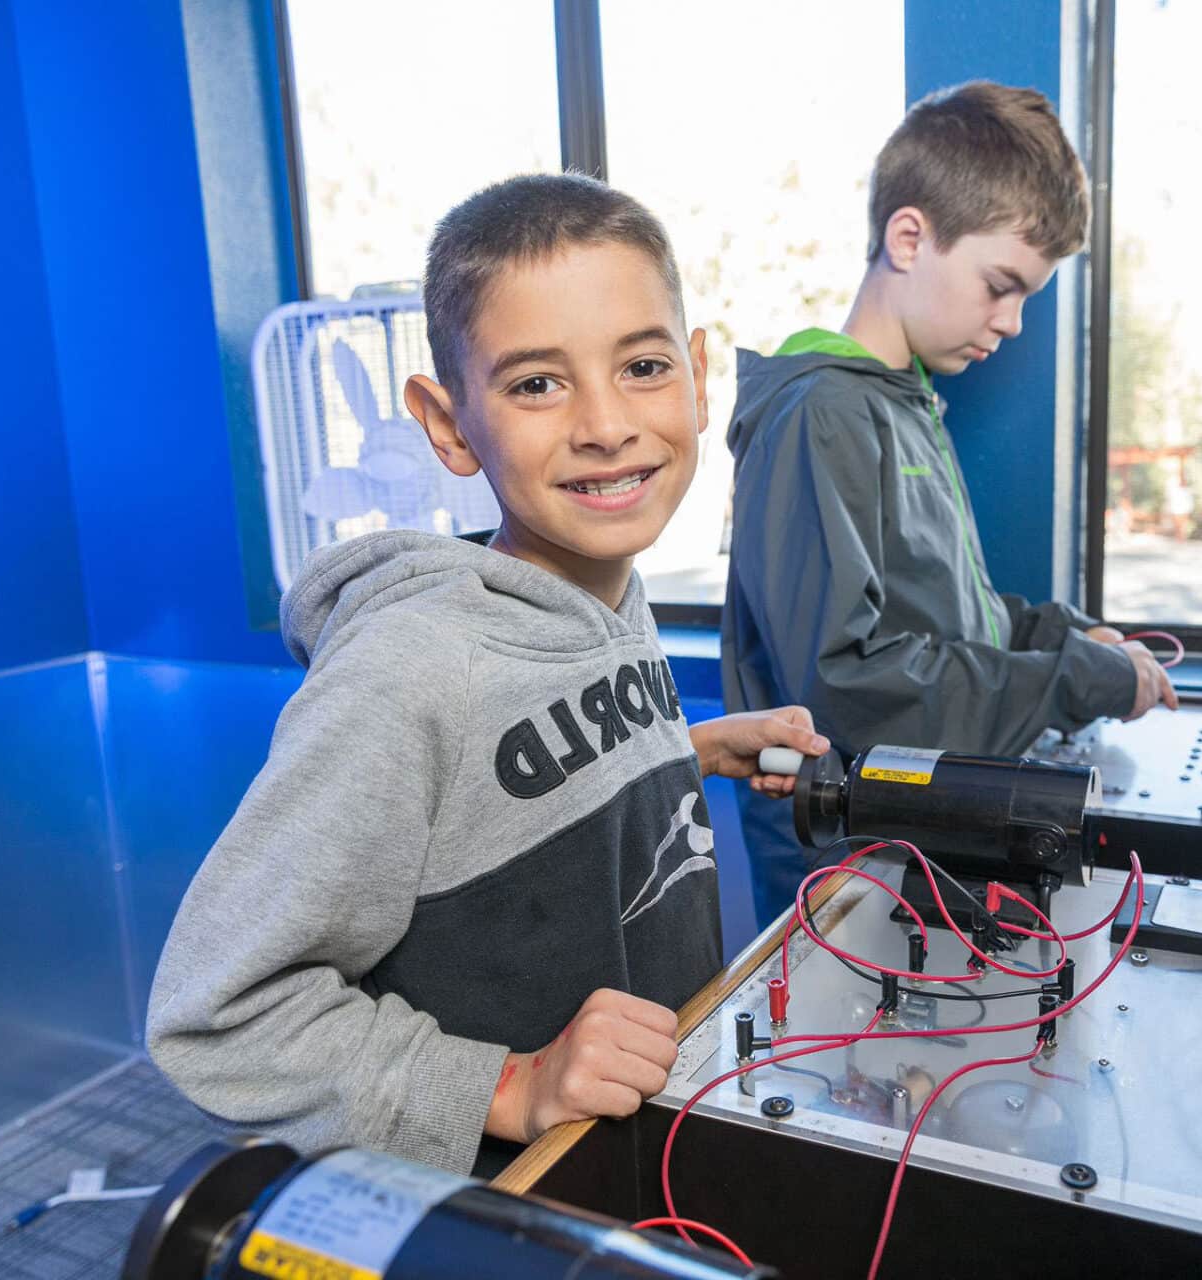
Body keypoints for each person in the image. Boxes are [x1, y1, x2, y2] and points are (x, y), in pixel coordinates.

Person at [147, 174, 829, 1175]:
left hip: (646, 1159)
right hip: (510, 1203)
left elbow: (510, 784)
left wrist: (684, 753)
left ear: (696, 377)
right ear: (451, 423)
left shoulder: (607, 591)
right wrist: (510, 1083)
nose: (606, 423)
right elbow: (216, 1013)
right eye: (537, 383)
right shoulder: (405, 669)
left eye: (641, 365)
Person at [722, 82, 1176, 925]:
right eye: (999, 284)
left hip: (918, 842)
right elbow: (846, 686)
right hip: (852, 864)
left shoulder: (904, 402)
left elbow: (940, 615)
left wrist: (1060, 634)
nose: (1010, 322)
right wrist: (1070, 679)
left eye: (1027, 297)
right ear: (909, 237)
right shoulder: (822, 413)